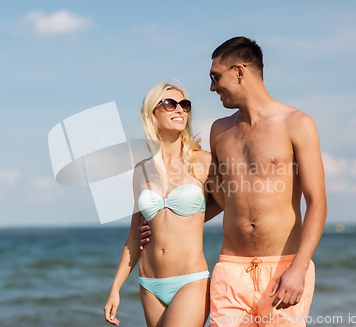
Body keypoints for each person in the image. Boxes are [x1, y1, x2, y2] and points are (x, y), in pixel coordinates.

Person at [139, 37, 327, 326]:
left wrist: (299, 268)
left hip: (284, 265)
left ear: (240, 72)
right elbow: (218, 198)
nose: (212, 87)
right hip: (230, 268)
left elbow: (317, 202)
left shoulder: (297, 123)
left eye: (216, 77)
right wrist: (166, 222)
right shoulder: (220, 131)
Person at [104, 82, 218, 327]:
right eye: (169, 103)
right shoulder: (141, 170)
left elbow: (231, 205)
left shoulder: (203, 162)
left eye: (184, 105)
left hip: (190, 280)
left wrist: (195, 216)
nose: (179, 110)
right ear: (152, 113)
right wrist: (116, 288)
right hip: (149, 283)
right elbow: (134, 236)